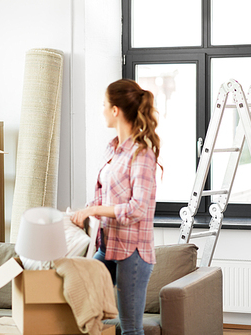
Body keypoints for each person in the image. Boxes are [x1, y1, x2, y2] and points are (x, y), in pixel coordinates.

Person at [71, 79, 161, 335]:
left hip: (133, 251)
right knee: (81, 293)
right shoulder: (113, 150)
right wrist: (84, 211)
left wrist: (96, 211)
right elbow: (105, 196)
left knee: (131, 328)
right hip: (108, 246)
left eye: (104, 105)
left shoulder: (142, 154)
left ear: (115, 110)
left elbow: (137, 209)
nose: (102, 110)